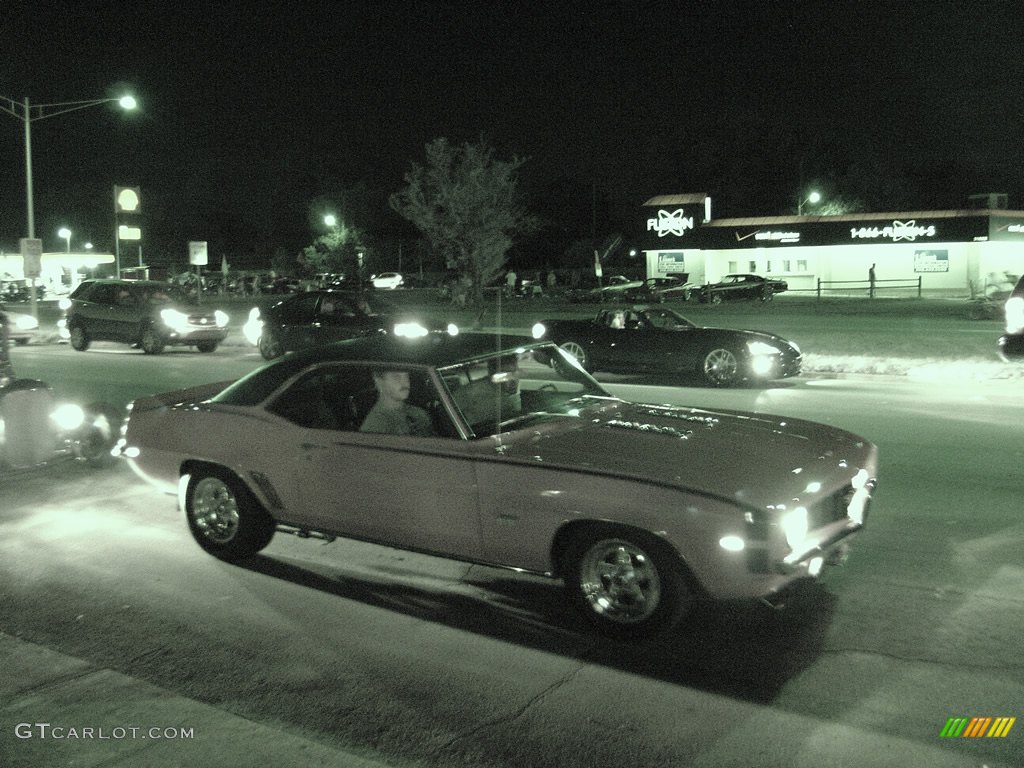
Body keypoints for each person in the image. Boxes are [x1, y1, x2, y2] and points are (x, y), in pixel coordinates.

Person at [359, 369, 433, 436]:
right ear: (379, 382)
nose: (404, 382)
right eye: (396, 377)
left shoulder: (419, 414)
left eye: (406, 376)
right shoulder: (375, 426)